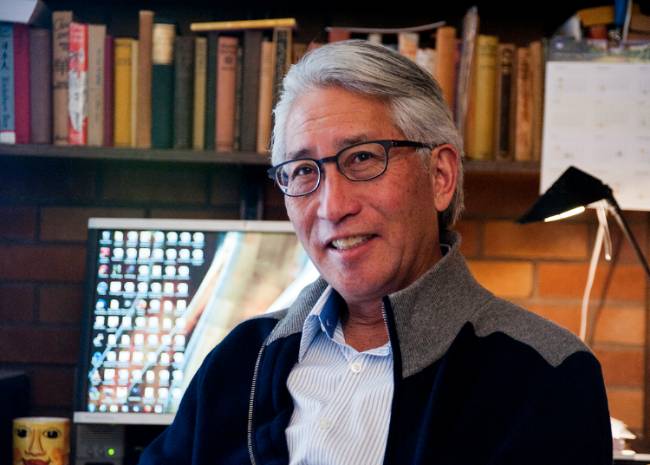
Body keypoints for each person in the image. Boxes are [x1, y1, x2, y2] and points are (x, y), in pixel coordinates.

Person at [139, 39, 612, 465]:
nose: (332, 206)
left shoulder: (544, 374)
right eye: (303, 171)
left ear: (440, 176)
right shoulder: (240, 361)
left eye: (363, 158)